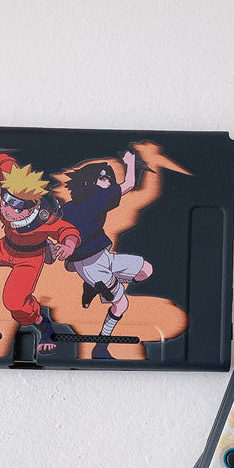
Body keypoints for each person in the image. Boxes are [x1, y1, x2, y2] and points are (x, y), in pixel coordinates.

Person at [0, 147, 80, 353]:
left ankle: (42, 322)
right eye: (6, 202)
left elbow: (66, 230)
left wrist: (69, 244)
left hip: (29, 260)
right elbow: (5, 165)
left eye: (16, 207)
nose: (8, 210)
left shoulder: (43, 217)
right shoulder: (13, 182)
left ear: (32, 206)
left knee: (14, 302)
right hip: (5, 247)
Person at [61, 149, 152, 359]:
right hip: (90, 265)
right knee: (122, 304)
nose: (108, 181)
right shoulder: (99, 195)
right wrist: (130, 161)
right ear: (90, 181)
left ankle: (94, 286)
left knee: (145, 270)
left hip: (103, 256)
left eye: (109, 177)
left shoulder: (69, 206)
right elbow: (129, 183)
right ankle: (100, 347)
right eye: (103, 177)